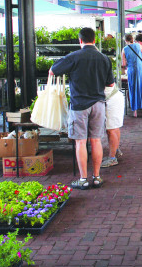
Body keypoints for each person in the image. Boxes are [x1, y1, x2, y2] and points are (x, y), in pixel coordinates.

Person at [49, 27, 114, 190]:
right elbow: (111, 84)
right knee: (96, 140)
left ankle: (83, 179)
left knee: (80, 142)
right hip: (98, 104)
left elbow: (52, 71)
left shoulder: (74, 56)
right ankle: (97, 177)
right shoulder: (104, 58)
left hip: (79, 105)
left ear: (80, 40)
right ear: (94, 40)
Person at [122, 33, 142, 118]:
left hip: (131, 69)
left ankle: (135, 112)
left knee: (133, 89)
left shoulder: (124, 49)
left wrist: (128, 62)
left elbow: (123, 64)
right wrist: (140, 62)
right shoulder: (139, 46)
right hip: (140, 68)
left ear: (126, 40)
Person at [101, 82, 125, 168]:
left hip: (112, 99)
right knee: (113, 128)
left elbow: (110, 84)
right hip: (112, 97)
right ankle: (115, 151)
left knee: (111, 129)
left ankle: (112, 158)